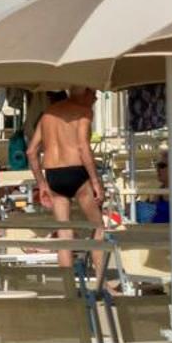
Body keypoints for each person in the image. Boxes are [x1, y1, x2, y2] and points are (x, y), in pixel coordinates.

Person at [27, 87, 109, 281]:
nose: (96, 97)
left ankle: (68, 288)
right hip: (77, 171)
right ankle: (102, 283)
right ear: (82, 94)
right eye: (92, 93)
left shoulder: (48, 114)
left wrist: (42, 183)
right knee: (97, 227)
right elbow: (83, 146)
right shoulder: (84, 112)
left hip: (53, 174)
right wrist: (96, 181)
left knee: (64, 232)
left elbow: (31, 152)